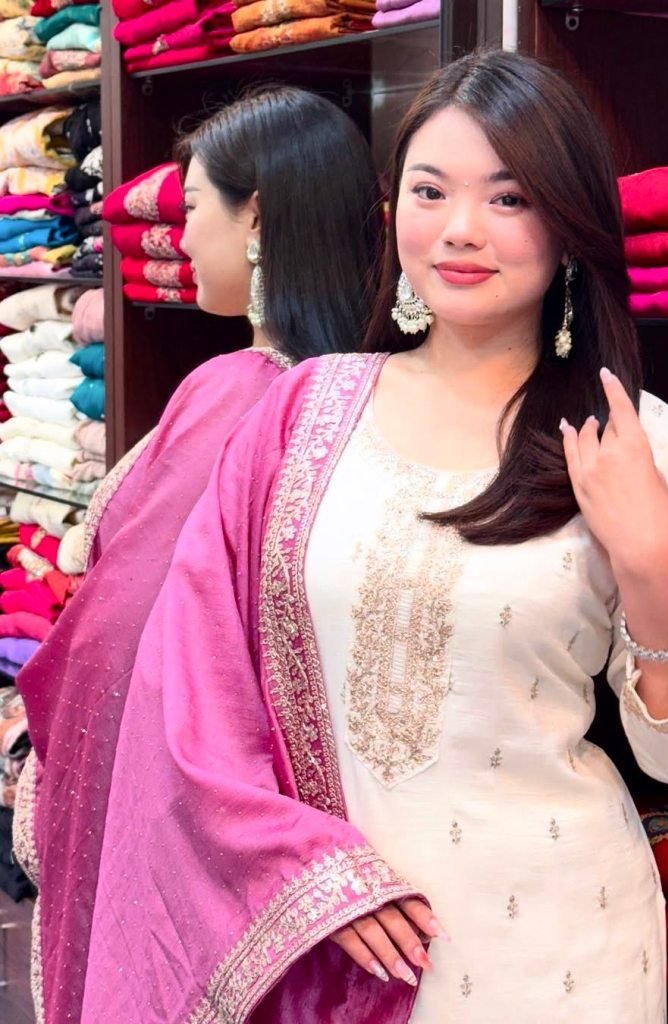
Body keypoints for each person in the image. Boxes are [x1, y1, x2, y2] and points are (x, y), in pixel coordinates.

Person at [78, 51, 668, 1023]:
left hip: (561, 954)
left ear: (568, 224)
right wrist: (306, 864)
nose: (460, 230)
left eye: (508, 198)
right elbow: (189, 678)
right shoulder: (304, 413)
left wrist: (652, 565)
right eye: (430, 191)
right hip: (323, 937)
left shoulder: (634, 439)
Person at [13, 85, 383, 1023]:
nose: (178, 238)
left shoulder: (241, 391)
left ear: (255, 218)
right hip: (348, 827)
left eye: (190, 210)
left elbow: (125, 634)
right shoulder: (373, 390)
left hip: (218, 801)